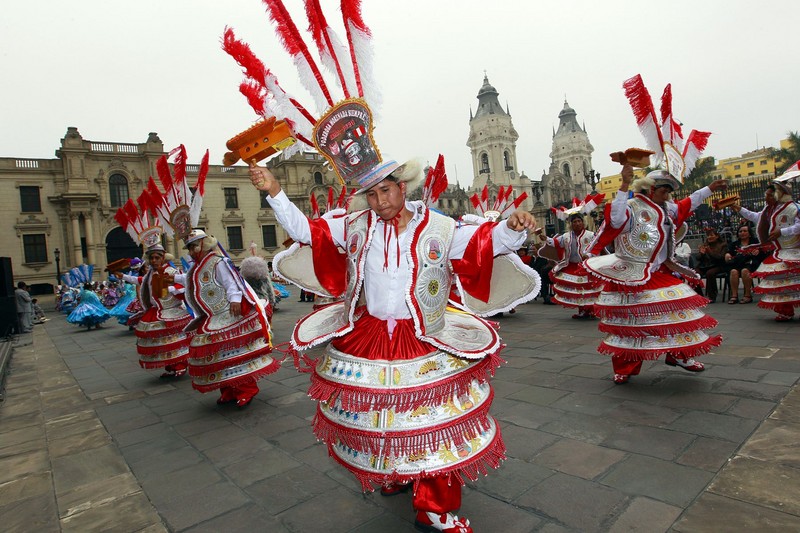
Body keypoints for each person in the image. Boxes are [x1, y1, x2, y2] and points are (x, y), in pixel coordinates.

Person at [249, 158, 538, 532]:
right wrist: (274, 190)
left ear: (403, 187)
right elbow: (306, 230)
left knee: (434, 424)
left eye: (385, 190)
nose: (379, 201)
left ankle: (434, 508)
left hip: (424, 337)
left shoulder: (440, 227)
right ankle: (396, 473)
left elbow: (486, 240)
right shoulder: (353, 226)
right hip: (368, 336)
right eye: (371, 194)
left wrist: (514, 228)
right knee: (380, 418)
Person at [585, 165, 728, 384]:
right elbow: (614, 220)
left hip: (660, 272)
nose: (668, 196)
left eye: (669, 192)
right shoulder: (631, 207)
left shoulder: (667, 209)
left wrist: (709, 188)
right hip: (632, 275)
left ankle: (680, 356)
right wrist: (624, 185)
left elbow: (688, 203)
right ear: (650, 190)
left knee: (678, 314)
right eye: (664, 191)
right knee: (630, 325)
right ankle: (625, 367)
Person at [173, 230, 280, 407]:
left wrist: (235, 299)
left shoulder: (218, 262)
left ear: (202, 245)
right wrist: (172, 277)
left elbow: (231, 281)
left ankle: (246, 389)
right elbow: (190, 279)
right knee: (218, 357)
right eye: (189, 248)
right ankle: (228, 390)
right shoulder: (197, 267)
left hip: (228, 314)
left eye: (193, 247)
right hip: (213, 317)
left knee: (237, 354)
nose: (190, 252)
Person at [119, 246, 192, 378]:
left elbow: (182, 286)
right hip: (157, 311)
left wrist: (168, 289)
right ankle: (170, 366)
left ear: (163, 258)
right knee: (161, 341)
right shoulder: (150, 274)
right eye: (151, 258)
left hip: (171, 311)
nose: (153, 260)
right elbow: (140, 280)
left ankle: (180, 366)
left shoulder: (171, 271)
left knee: (174, 341)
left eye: (157, 257)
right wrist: (123, 276)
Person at [733, 181, 800, 321]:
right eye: (766, 195)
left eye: (769, 195)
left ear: (778, 195)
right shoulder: (770, 210)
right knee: (781, 282)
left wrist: (781, 231)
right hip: (780, 250)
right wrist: (740, 209)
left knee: (795, 281)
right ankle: (785, 311)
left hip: (794, 249)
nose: (766, 198)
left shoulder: (794, 208)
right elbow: (756, 217)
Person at [539, 213, 601, 319]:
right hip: (572, 266)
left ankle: (591, 310)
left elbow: (598, 248)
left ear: (583, 222)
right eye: (574, 222)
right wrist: (546, 238)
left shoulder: (591, 235)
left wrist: (589, 255)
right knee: (578, 290)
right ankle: (582, 310)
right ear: (571, 224)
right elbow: (556, 243)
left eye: (579, 221)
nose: (577, 224)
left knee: (588, 289)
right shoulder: (566, 236)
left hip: (587, 266)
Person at [723, 223, 762, 304]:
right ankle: (734, 295)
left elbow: (763, 252)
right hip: (738, 263)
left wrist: (758, 251)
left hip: (751, 264)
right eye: (740, 231)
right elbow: (728, 253)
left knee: (745, 271)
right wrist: (727, 255)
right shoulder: (734, 244)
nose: (742, 233)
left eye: (745, 231)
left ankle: (747, 295)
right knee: (733, 271)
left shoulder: (755, 242)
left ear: (749, 233)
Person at [695, 228, 728, 302]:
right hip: (704, 265)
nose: (709, 237)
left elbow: (720, 257)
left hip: (717, 265)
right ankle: (699, 295)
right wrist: (702, 254)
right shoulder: (705, 245)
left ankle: (712, 296)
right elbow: (698, 258)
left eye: (711, 235)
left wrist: (709, 251)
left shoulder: (723, 245)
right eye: (708, 236)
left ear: (717, 236)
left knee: (710, 273)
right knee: (695, 273)